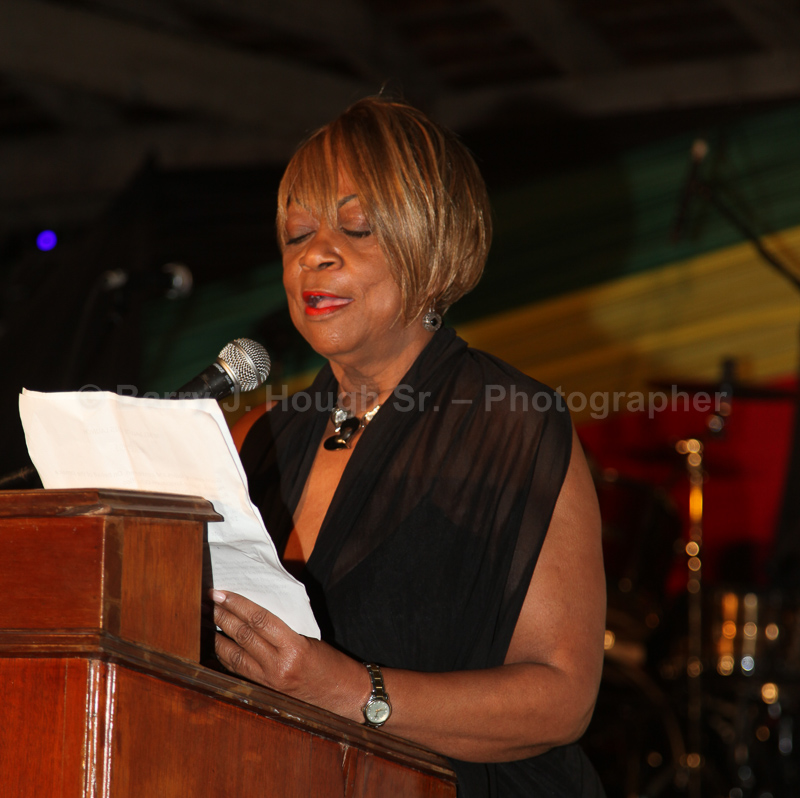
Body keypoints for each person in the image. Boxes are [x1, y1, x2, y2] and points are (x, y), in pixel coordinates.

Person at [212, 96, 607, 797]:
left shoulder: (509, 423)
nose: (315, 256)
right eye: (297, 235)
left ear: (432, 247)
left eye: (357, 229)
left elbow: (562, 697)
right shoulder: (263, 437)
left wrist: (353, 693)